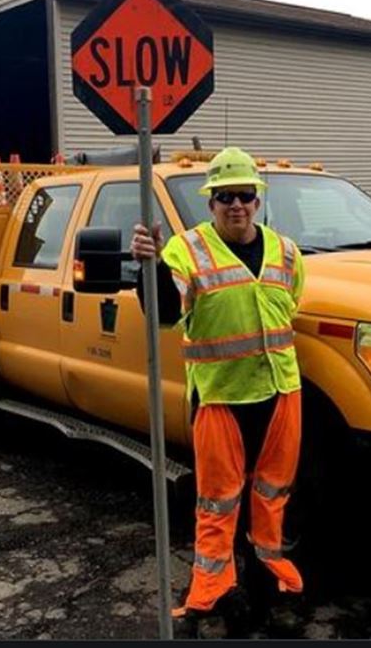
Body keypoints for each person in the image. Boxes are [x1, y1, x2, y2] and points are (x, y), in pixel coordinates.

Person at [130, 146, 305, 636]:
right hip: (221, 398)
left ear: (257, 200)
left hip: (281, 392)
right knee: (218, 501)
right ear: (211, 203)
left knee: (272, 496)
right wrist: (149, 265)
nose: (236, 205)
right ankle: (215, 591)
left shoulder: (286, 252)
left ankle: (269, 581)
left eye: (245, 195)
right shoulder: (186, 250)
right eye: (225, 197)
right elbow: (166, 311)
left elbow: (290, 305)